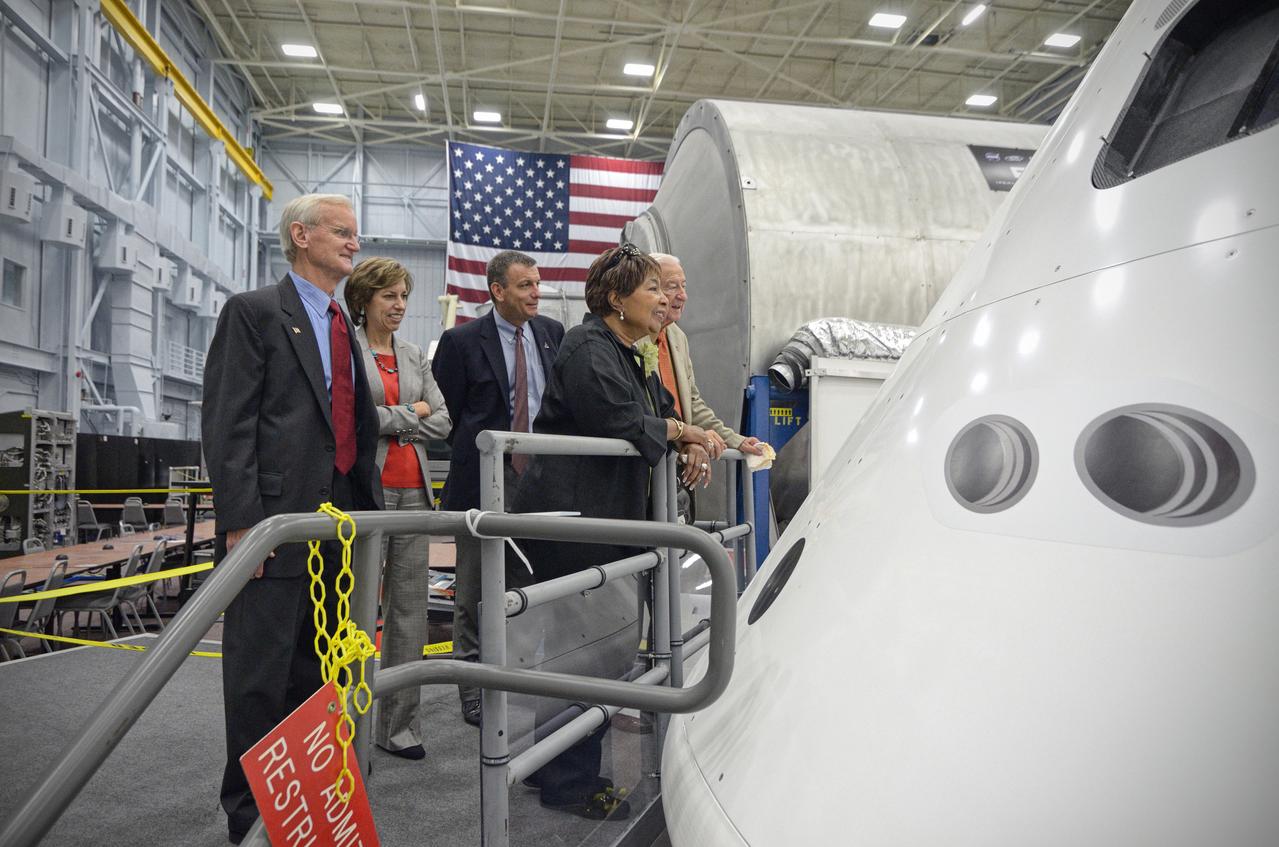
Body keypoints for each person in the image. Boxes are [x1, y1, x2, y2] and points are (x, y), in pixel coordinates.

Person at [511, 243, 719, 819]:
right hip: (580, 524)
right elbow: (621, 419)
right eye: (652, 288)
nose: (664, 299)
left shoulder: (629, 351)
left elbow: (658, 415)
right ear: (614, 297)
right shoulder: (587, 347)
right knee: (592, 655)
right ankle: (571, 782)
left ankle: (553, 765)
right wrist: (681, 433)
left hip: (604, 520)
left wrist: (688, 437)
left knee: (586, 653)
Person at [202, 193, 384, 844]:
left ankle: (302, 806)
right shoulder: (254, 313)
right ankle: (250, 818)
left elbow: (355, 431)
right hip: (275, 529)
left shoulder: (345, 324)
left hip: (339, 530)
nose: (353, 244)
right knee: (260, 676)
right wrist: (244, 524)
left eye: (356, 234)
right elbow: (229, 424)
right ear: (300, 235)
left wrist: (369, 526)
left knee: (320, 674)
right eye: (342, 232)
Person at [431, 250, 564, 726]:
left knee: (529, 584)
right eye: (526, 285)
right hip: (483, 481)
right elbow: (449, 418)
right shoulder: (462, 342)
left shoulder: (551, 335)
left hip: (540, 483)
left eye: (537, 283)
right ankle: (473, 687)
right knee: (474, 590)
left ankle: (516, 678)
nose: (536, 293)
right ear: (497, 291)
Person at [344, 257, 452, 761]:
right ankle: (346, 720)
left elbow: (445, 422)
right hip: (366, 496)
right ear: (364, 299)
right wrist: (413, 415)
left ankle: (398, 726)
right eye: (389, 296)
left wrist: (397, 420)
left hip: (415, 498)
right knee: (358, 614)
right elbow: (357, 421)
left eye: (404, 296)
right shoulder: (347, 348)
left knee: (409, 615)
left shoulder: (413, 355)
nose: (400, 305)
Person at [649, 252, 765, 458]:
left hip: (677, 460)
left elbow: (693, 404)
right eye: (673, 286)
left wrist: (735, 440)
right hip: (653, 461)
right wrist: (687, 437)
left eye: (684, 286)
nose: (683, 295)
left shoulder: (677, 336)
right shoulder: (632, 338)